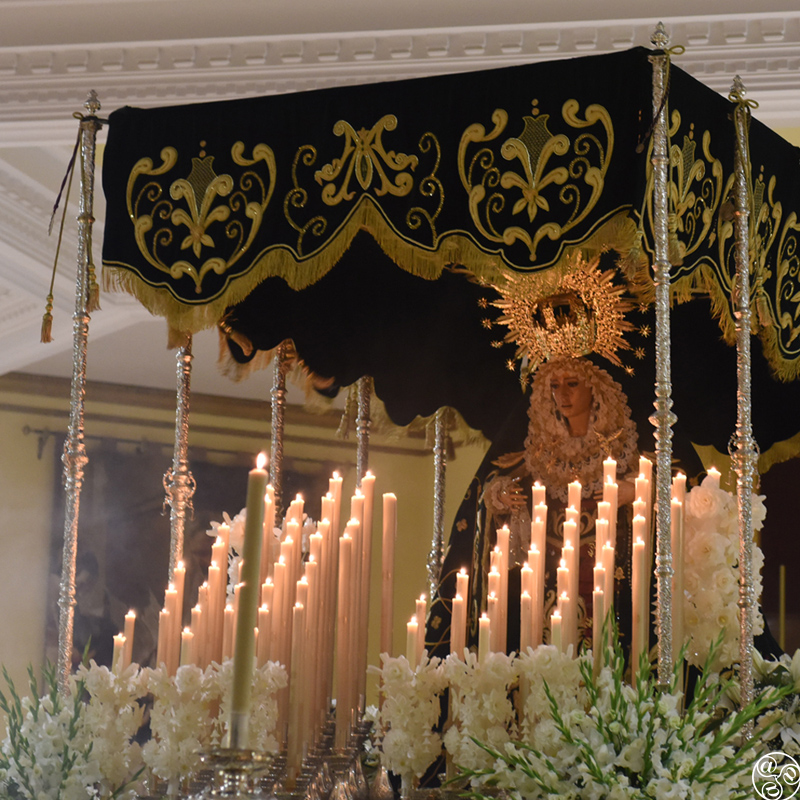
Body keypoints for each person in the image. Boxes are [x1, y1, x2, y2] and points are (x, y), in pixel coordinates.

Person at [426, 356, 642, 657]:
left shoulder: (625, 447)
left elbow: (672, 490)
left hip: (609, 588)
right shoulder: (538, 450)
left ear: (595, 388)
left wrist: (637, 492)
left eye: (572, 384)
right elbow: (493, 490)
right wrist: (500, 498)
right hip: (543, 593)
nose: (562, 395)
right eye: (554, 386)